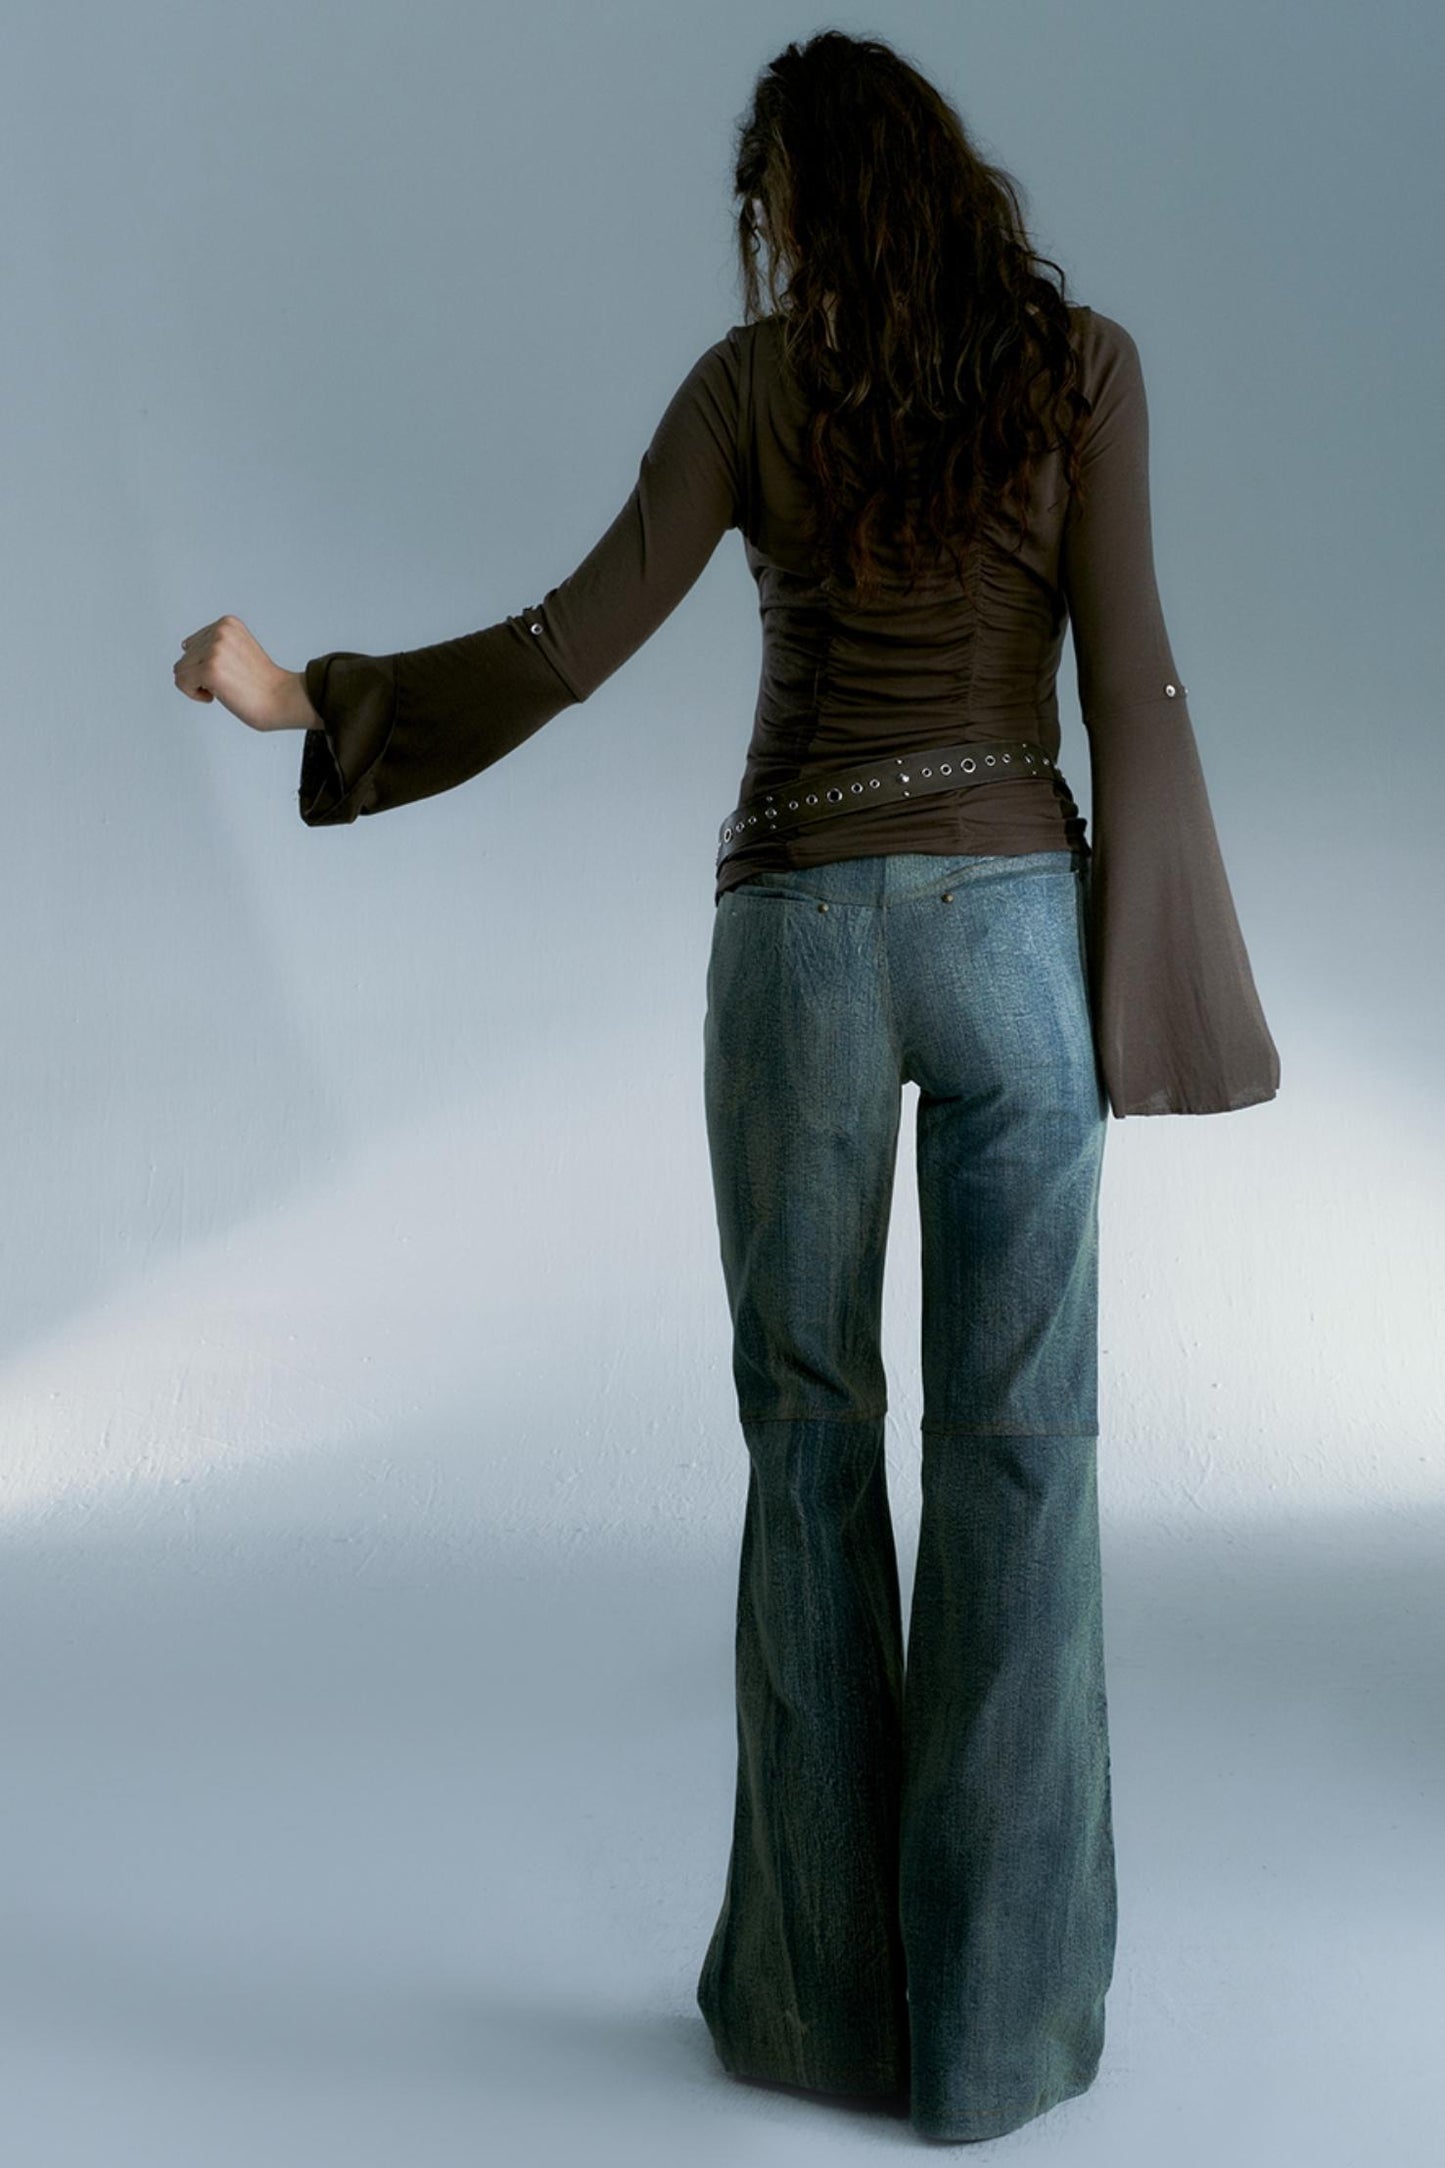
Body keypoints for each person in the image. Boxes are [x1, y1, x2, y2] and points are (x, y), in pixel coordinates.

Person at [173, 28, 1280, 2146]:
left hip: (796, 944)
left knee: (809, 1439)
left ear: (800, 204)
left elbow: (569, 643)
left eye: (764, 205)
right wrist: (1169, 996)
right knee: (1024, 1454)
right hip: (1015, 939)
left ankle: (810, 2012)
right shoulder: (1083, 370)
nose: (761, 238)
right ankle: (997, 2040)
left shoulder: (749, 387)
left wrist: (306, 695)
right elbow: (1130, 678)